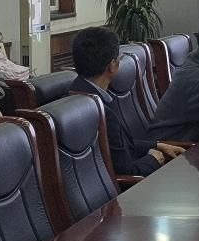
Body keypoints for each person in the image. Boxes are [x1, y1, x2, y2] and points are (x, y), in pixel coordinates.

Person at [70, 26, 185, 175]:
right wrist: (153, 160)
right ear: (112, 66)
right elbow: (126, 171)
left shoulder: (76, 93)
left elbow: (116, 146)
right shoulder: (102, 112)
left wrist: (156, 145)